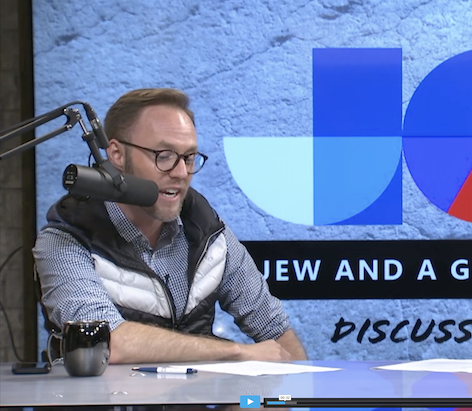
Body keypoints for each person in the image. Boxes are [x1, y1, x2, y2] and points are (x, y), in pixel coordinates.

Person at [34, 88, 307, 364]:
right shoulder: (66, 238)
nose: (180, 173)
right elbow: (107, 343)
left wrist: (299, 387)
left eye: (189, 157)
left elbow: (275, 330)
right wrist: (235, 351)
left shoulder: (207, 230)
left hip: (199, 392)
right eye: (164, 155)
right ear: (116, 154)